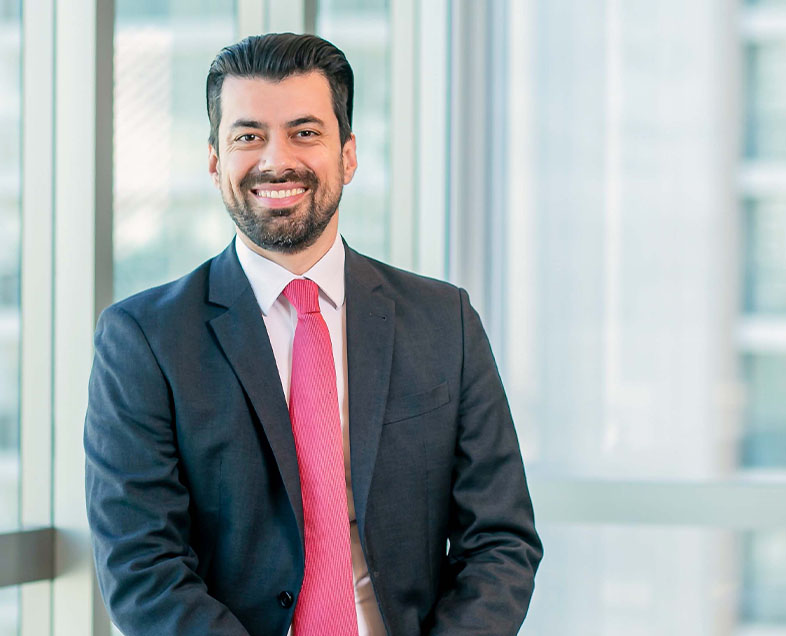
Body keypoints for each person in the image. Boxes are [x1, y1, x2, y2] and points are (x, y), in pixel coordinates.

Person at [84, 33, 542, 636]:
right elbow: (143, 568)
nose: (276, 160)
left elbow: (501, 540)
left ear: (348, 155)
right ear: (216, 160)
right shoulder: (143, 340)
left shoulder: (443, 320)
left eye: (305, 132)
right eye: (248, 135)